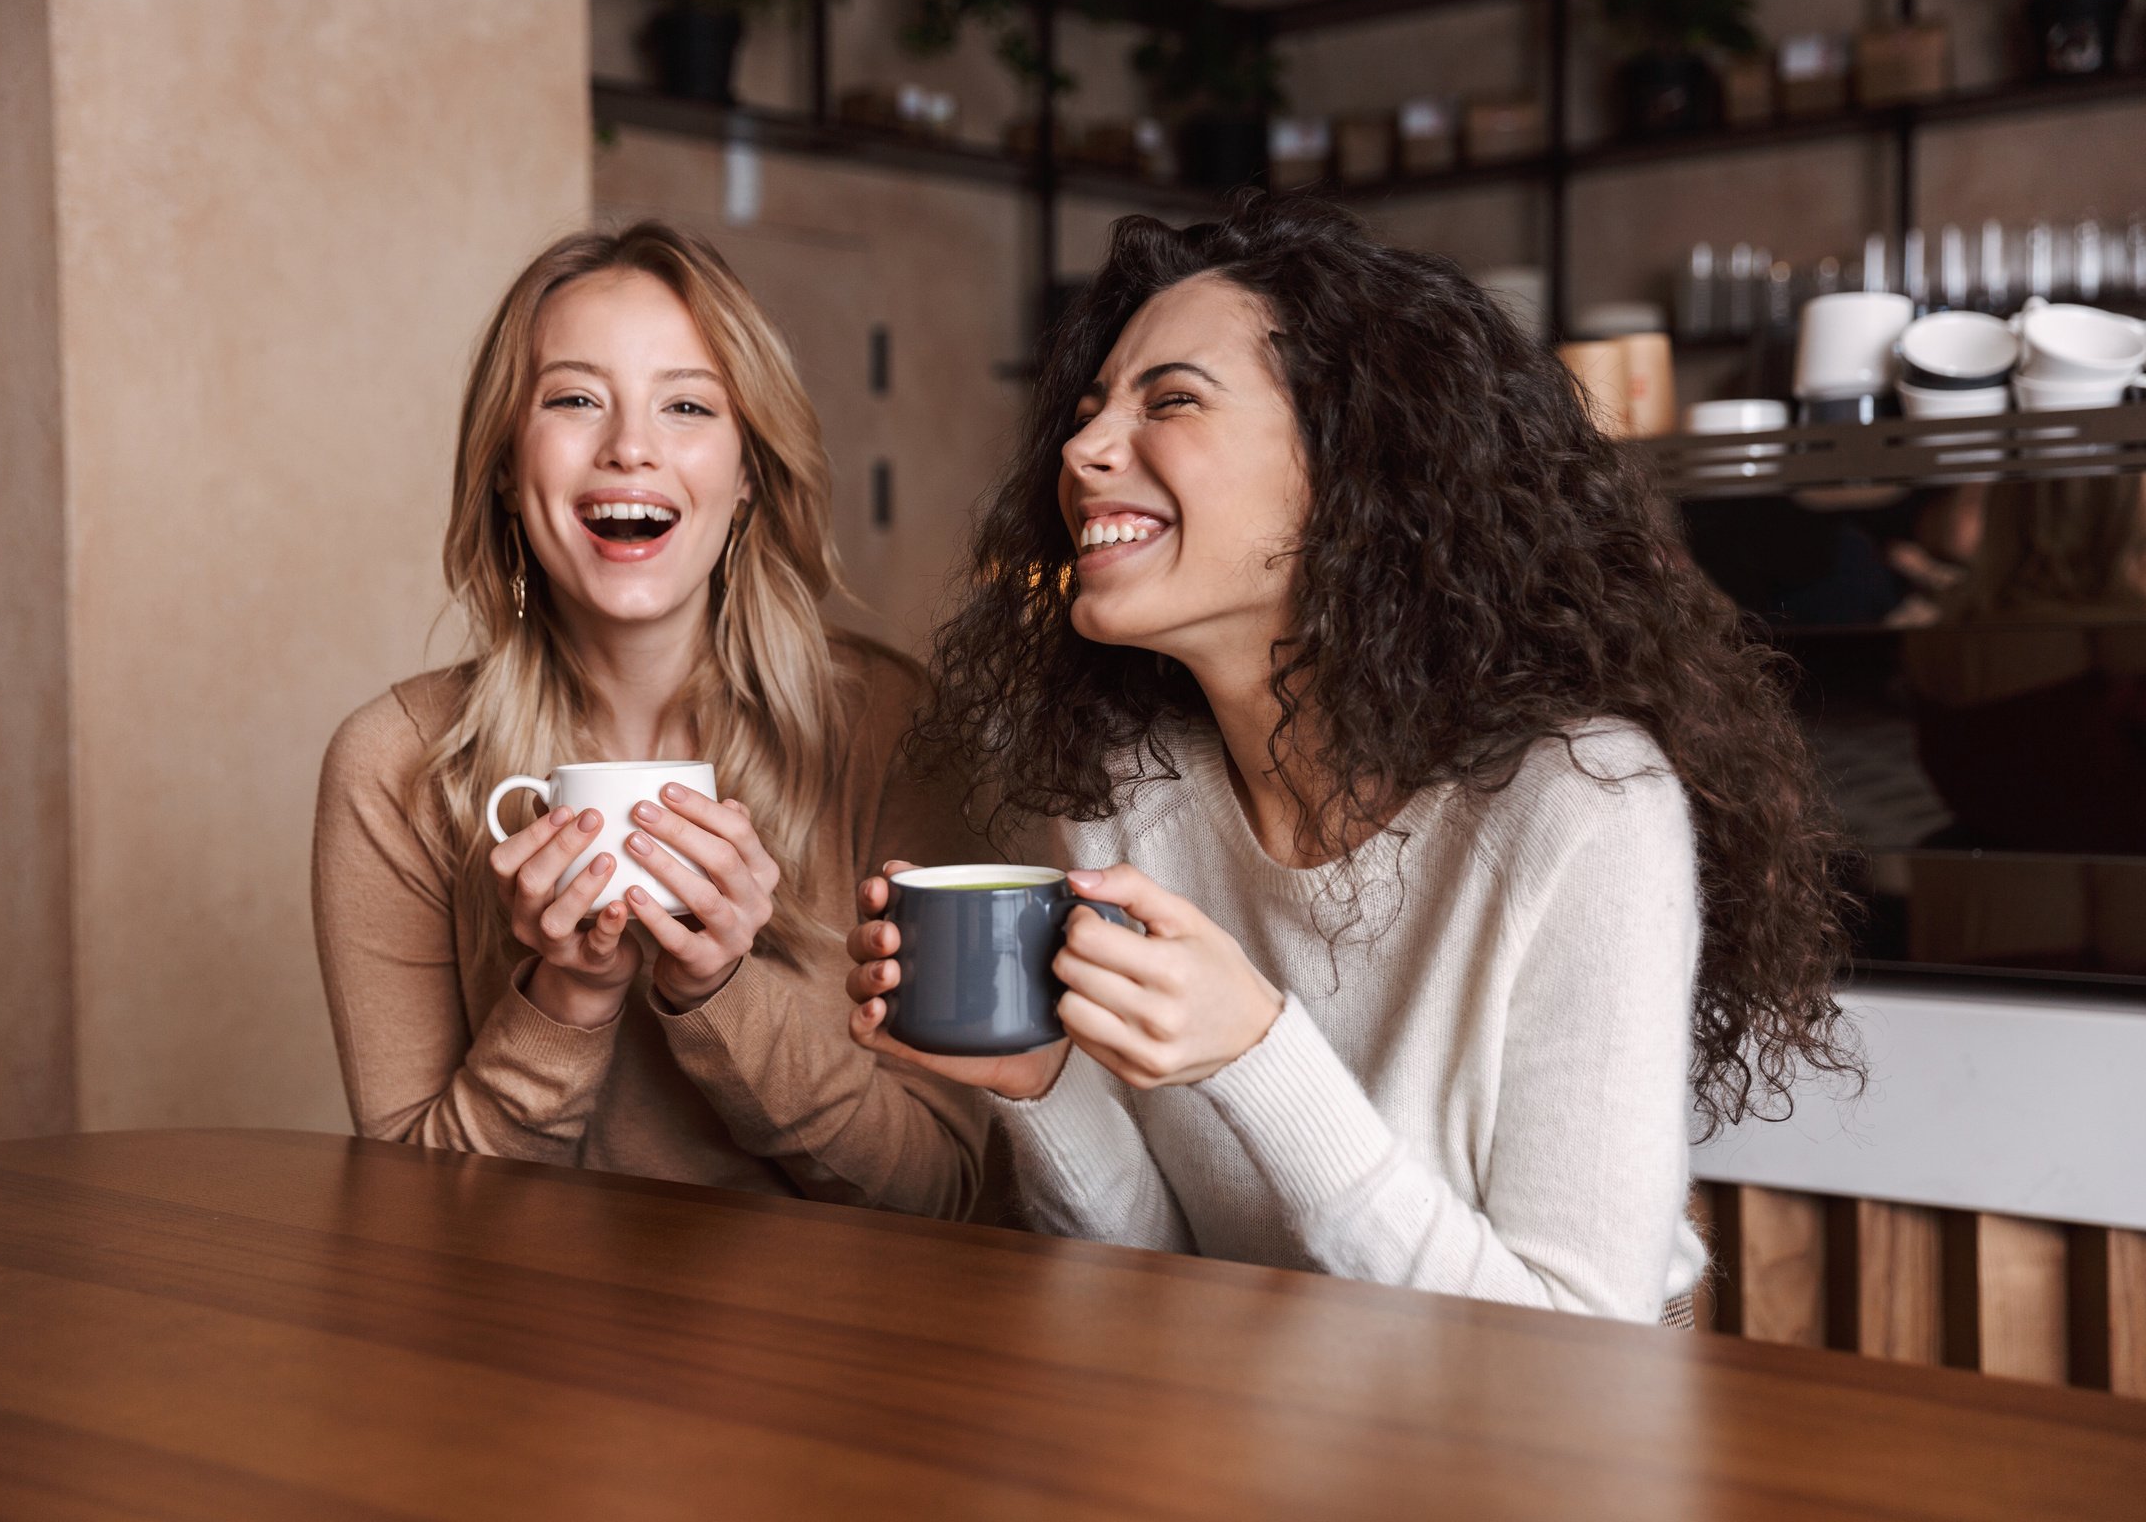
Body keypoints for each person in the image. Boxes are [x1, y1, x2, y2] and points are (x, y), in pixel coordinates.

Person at [844, 194, 1859, 1320]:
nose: (1082, 450)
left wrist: (1257, 1055)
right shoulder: (1130, 791)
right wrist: (1042, 1087)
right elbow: (1156, 1259)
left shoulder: (1584, 809)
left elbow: (1578, 1344)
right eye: (1087, 413)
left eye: (1170, 400)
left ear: (1354, 464)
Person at [314, 224, 987, 1216]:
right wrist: (566, 1002)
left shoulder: (892, 729)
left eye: (686, 406)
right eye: (576, 400)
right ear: (505, 465)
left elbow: (944, 1193)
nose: (630, 447)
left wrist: (723, 992)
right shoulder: (395, 766)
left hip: (841, 1354)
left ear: (750, 472)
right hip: (522, 1352)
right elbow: (415, 1213)